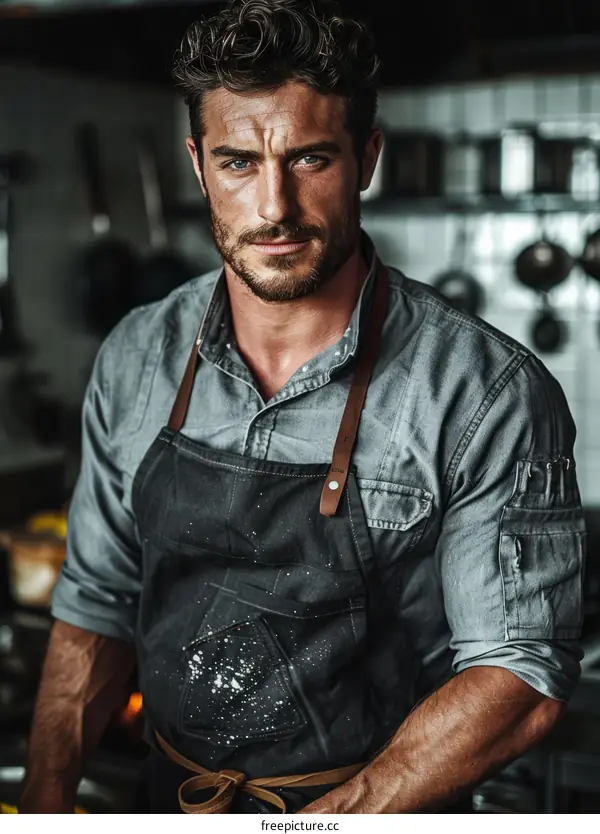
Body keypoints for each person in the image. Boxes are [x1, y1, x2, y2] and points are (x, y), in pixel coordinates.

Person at [20, 0, 585, 815]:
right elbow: (97, 600)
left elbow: (520, 673)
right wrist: (42, 807)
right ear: (198, 163)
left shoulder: (484, 389)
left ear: (368, 158)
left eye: (311, 159)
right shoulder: (138, 353)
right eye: (239, 162)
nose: (275, 208)